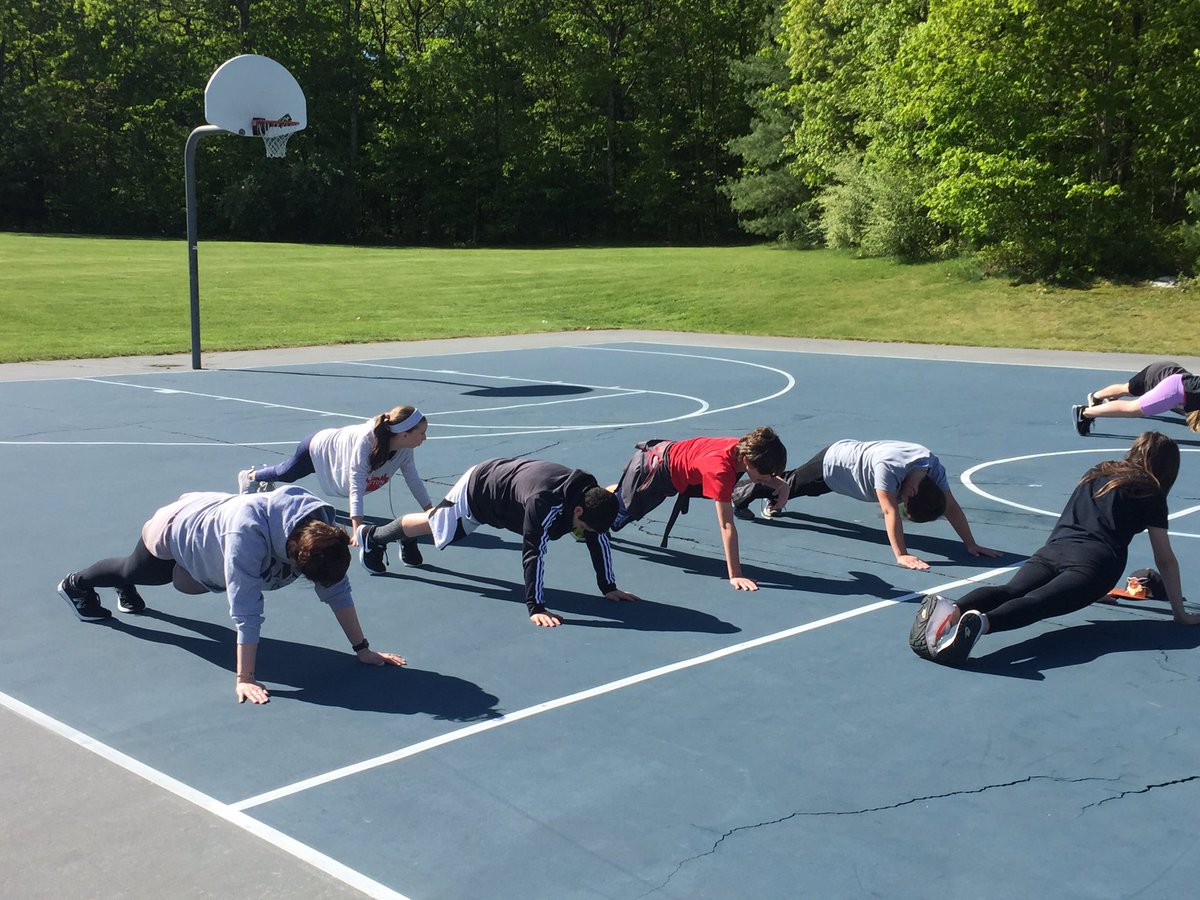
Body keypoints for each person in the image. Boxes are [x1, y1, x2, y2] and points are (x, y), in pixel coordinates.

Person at [55, 485, 405, 704]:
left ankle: (129, 583)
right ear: (294, 555)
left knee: (182, 583)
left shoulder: (322, 528)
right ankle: (75, 584)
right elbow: (246, 611)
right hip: (179, 527)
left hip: (212, 531)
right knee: (138, 571)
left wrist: (363, 649)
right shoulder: (246, 539)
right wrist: (246, 679)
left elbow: (336, 589)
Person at [930, 431, 1200, 665]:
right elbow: (1164, 559)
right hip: (1096, 564)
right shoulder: (1150, 491)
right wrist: (1180, 614)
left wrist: (1093, 592)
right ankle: (983, 624)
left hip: (1054, 549)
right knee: (1039, 602)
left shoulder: (1098, 471)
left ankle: (952, 609)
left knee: (1010, 590)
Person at [356, 458, 641, 627]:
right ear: (578, 511)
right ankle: (373, 536)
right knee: (438, 527)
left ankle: (407, 540)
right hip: (481, 490)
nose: (581, 532)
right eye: (582, 526)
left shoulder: (591, 499)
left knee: (441, 529)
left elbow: (598, 536)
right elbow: (534, 553)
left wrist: (609, 587)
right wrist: (536, 607)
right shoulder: (544, 503)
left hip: (509, 493)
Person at [732, 439, 1000, 571]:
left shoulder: (934, 469)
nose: (901, 501)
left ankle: (770, 493)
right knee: (790, 485)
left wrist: (970, 543)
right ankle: (745, 491)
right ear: (914, 490)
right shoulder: (889, 469)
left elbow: (950, 506)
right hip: (835, 463)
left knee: (794, 489)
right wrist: (901, 554)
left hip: (853, 474)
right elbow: (889, 511)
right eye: (906, 501)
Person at [237, 405, 433, 565]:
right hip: (318, 447)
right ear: (404, 434)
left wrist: (430, 511)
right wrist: (357, 529)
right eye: (422, 433)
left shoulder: (404, 449)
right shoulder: (366, 443)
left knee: (287, 473)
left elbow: (413, 479)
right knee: (286, 473)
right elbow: (355, 484)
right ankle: (251, 476)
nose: (425, 438)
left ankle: (257, 476)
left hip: (337, 455)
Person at [608, 427, 790, 591]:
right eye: (764, 476)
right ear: (747, 461)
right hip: (651, 469)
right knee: (616, 518)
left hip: (667, 460)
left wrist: (783, 486)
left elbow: (762, 474)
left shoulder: (742, 447)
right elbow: (726, 525)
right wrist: (735, 575)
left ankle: (617, 492)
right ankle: (592, 503)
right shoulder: (720, 471)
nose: (768, 480)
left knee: (624, 503)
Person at [1073, 361, 1200, 436]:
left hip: (1176, 385)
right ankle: (1084, 413)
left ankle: (1095, 403)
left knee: (1131, 400)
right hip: (1175, 390)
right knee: (1131, 409)